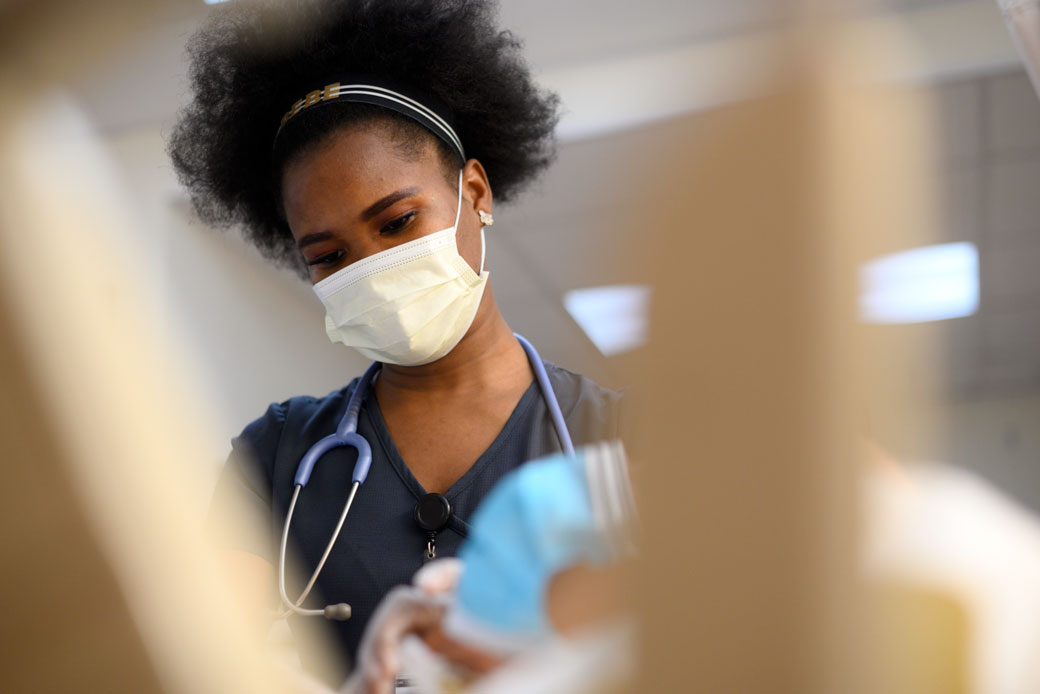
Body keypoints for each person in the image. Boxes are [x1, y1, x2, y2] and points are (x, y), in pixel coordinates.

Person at [168, 0, 623, 686]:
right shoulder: (276, 457)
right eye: (328, 256)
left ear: (475, 191)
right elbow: (194, 661)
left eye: (398, 222)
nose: (370, 272)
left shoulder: (617, 436)